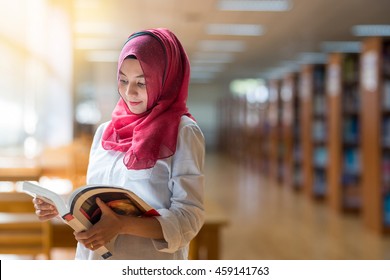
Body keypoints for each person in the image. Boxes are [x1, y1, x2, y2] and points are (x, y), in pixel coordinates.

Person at [32, 28, 205, 260]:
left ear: (165, 81)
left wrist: (122, 225)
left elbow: (189, 218)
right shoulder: (106, 131)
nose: (129, 92)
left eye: (142, 83)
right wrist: (63, 207)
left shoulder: (183, 131)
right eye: (123, 80)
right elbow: (99, 197)